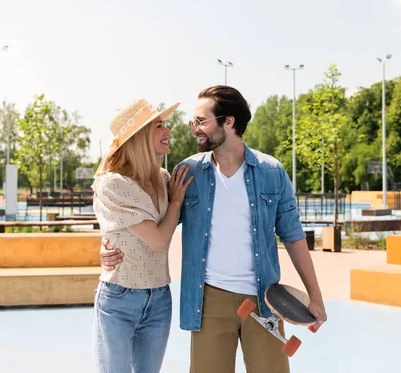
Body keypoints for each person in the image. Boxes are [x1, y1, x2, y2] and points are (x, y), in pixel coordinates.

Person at [101, 86, 327, 373]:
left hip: (265, 301)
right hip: (208, 302)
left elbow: (294, 237)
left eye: (201, 121)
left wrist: (315, 295)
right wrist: (107, 246)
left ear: (228, 122)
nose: (194, 129)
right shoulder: (187, 173)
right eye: (193, 122)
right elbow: (153, 224)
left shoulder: (272, 172)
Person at [91, 98, 193, 373]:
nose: (168, 131)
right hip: (119, 298)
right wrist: (175, 203)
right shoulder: (114, 182)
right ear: (138, 138)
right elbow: (160, 241)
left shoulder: (162, 179)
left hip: (159, 296)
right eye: (159, 126)